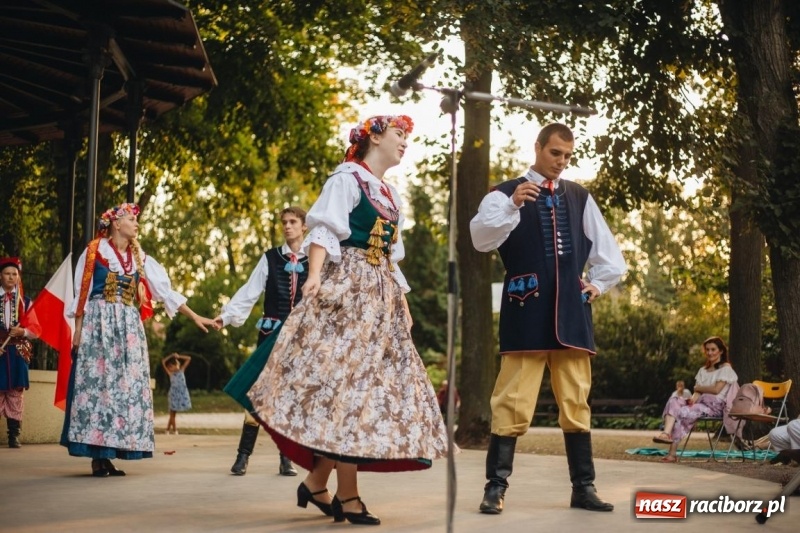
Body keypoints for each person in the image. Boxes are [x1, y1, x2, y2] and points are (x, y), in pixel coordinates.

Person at [243, 114, 449, 526]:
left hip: (380, 298)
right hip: (348, 292)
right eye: (399, 135)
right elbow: (322, 233)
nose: (405, 142)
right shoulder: (347, 179)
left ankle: (318, 481)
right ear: (374, 137)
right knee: (349, 392)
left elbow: (391, 254)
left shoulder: (390, 194)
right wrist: (315, 274)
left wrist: (402, 299)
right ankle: (346, 494)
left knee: (363, 394)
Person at [470, 123, 627, 514]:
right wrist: (513, 206)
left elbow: (609, 255)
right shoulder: (504, 193)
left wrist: (597, 285)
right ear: (538, 147)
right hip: (525, 310)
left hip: (573, 314)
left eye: (568, 156)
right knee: (512, 399)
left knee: (576, 400)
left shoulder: (578, 196)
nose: (561, 161)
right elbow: (480, 238)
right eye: (555, 152)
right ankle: (495, 487)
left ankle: (584, 488)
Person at [61, 203, 217, 477]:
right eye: (132, 220)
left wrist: (194, 316)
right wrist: (77, 330)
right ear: (116, 223)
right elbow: (82, 293)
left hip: (128, 328)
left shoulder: (139, 258)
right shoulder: (94, 250)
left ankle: (110, 455)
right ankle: (98, 456)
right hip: (99, 323)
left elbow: (165, 293)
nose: (136, 224)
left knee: (123, 389)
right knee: (100, 388)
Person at [218, 206, 309, 477]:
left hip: (300, 338)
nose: (287, 226)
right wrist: (225, 317)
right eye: (284, 222)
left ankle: (286, 460)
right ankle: (243, 456)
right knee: (257, 395)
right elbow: (250, 291)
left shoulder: (316, 259)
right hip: (271, 335)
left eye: (293, 222)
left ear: (304, 226)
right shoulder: (270, 258)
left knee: (290, 398)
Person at [652, 336, 738, 463]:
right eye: (707, 350)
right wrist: (692, 399)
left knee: (682, 412)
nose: (709, 352)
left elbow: (716, 390)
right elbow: (697, 392)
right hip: (700, 402)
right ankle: (665, 433)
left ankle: (672, 454)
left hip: (714, 406)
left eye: (713, 349)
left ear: (721, 351)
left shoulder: (725, 368)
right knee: (674, 400)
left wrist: (699, 387)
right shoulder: (702, 370)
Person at [0, 257, 39, 448]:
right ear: (0, 276)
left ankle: (14, 435)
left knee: (16, 393)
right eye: (7, 273)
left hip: (17, 353)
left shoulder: (26, 302)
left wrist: (22, 331)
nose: (11, 277)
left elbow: (36, 330)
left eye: (14, 274)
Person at [162, 353, 192, 435]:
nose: (170, 368)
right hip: (173, 394)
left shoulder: (181, 371)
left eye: (172, 366)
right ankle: (175, 430)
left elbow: (188, 358)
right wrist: (171, 355)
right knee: (172, 412)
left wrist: (179, 356)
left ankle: (167, 430)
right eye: (170, 367)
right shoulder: (170, 374)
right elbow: (163, 361)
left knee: (173, 413)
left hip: (181, 394)